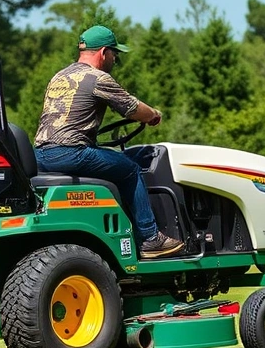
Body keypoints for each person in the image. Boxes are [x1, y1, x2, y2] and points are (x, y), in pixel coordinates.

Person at [33, 25, 185, 259]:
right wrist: (154, 114)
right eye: (115, 54)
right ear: (104, 52)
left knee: (119, 160)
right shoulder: (97, 78)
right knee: (131, 170)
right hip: (71, 152)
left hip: (41, 155)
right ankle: (150, 238)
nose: (115, 59)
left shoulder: (59, 76)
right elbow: (133, 109)